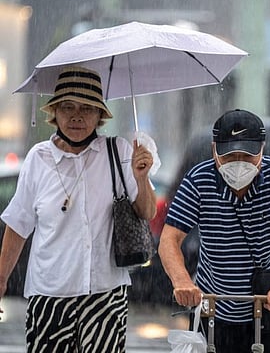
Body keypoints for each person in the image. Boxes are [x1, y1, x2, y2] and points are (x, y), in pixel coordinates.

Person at [0, 66, 157, 352]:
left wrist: (141, 178)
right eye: (67, 107)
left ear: (99, 116)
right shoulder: (38, 158)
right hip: (49, 296)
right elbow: (18, 225)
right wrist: (0, 279)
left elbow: (147, 212)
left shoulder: (119, 151)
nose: (76, 116)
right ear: (55, 113)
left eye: (87, 108)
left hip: (105, 295)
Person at [159, 109, 270, 352]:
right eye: (229, 156)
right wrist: (182, 283)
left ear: (262, 149)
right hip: (213, 308)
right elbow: (169, 239)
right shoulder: (198, 180)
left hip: (269, 305)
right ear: (214, 150)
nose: (239, 163)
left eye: (247, 155)